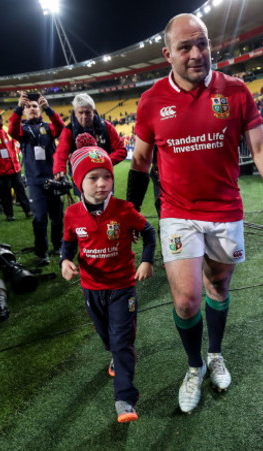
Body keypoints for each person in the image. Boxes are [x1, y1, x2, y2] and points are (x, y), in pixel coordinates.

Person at [126, 13, 263, 414]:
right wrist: (131, 213)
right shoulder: (151, 101)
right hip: (177, 212)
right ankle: (194, 365)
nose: (196, 53)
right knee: (187, 300)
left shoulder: (235, 91)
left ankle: (216, 353)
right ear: (168, 54)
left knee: (219, 287)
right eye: (185, 47)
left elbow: (259, 148)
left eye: (202, 43)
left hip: (225, 210)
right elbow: (139, 161)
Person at [60, 146, 156, 423]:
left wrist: (146, 261)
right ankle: (113, 352)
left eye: (107, 176)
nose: (102, 183)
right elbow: (67, 243)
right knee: (107, 337)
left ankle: (125, 399)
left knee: (122, 340)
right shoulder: (72, 214)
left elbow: (148, 234)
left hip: (123, 287)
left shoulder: (124, 210)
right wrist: (65, 261)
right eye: (93, 178)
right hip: (91, 289)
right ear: (79, 181)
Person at [9, 92, 66, 265]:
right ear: (24, 111)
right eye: (28, 107)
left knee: (57, 218)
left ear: (39, 109)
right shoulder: (22, 130)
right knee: (40, 218)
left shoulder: (48, 127)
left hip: (54, 179)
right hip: (35, 182)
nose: (32, 109)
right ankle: (42, 252)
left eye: (35, 106)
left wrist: (48, 109)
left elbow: (62, 129)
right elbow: (12, 130)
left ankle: (58, 245)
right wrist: (18, 107)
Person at [52, 93, 127, 190]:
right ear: (75, 113)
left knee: (107, 205)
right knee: (84, 205)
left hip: (104, 177)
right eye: (80, 113)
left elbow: (122, 150)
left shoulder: (107, 127)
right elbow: (60, 154)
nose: (84, 116)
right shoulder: (68, 130)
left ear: (94, 112)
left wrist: (102, 161)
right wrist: (59, 170)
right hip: (80, 179)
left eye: (87, 112)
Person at [0, 108, 31, 221]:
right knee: (5, 194)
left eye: (1, 116)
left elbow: (14, 144)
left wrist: (17, 159)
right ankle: (10, 215)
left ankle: (28, 211)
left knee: (21, 191)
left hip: (14, 168)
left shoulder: (5, 129)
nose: (2, 118)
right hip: (1, 170)